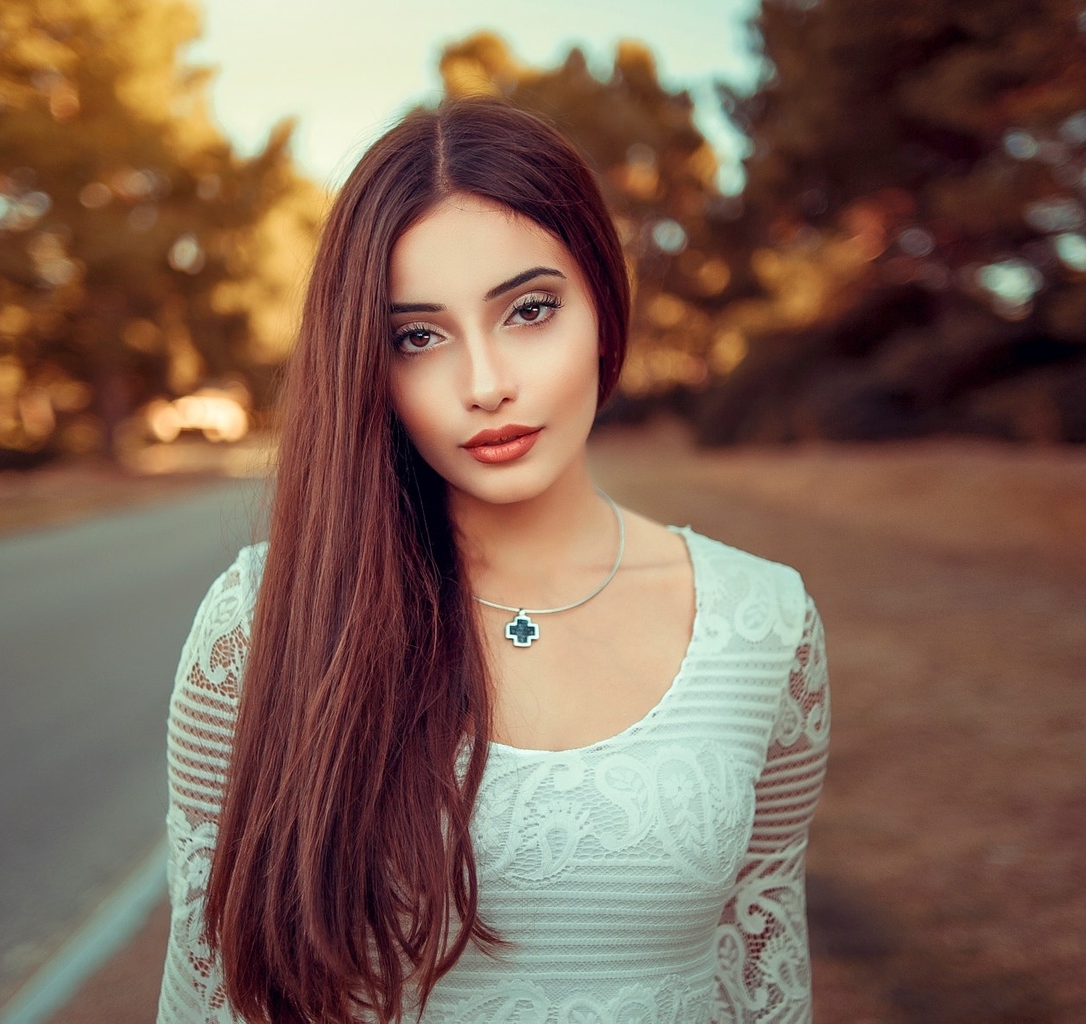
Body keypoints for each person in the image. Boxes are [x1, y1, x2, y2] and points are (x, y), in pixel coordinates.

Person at [156, 98, 830, 1024]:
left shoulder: (765, 625)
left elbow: (761, 983)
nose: (485, 383)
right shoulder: (263, 619)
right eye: (418, 336)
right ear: (371, 369)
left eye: (530, 309)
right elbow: (210, 996)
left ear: (603, 304)